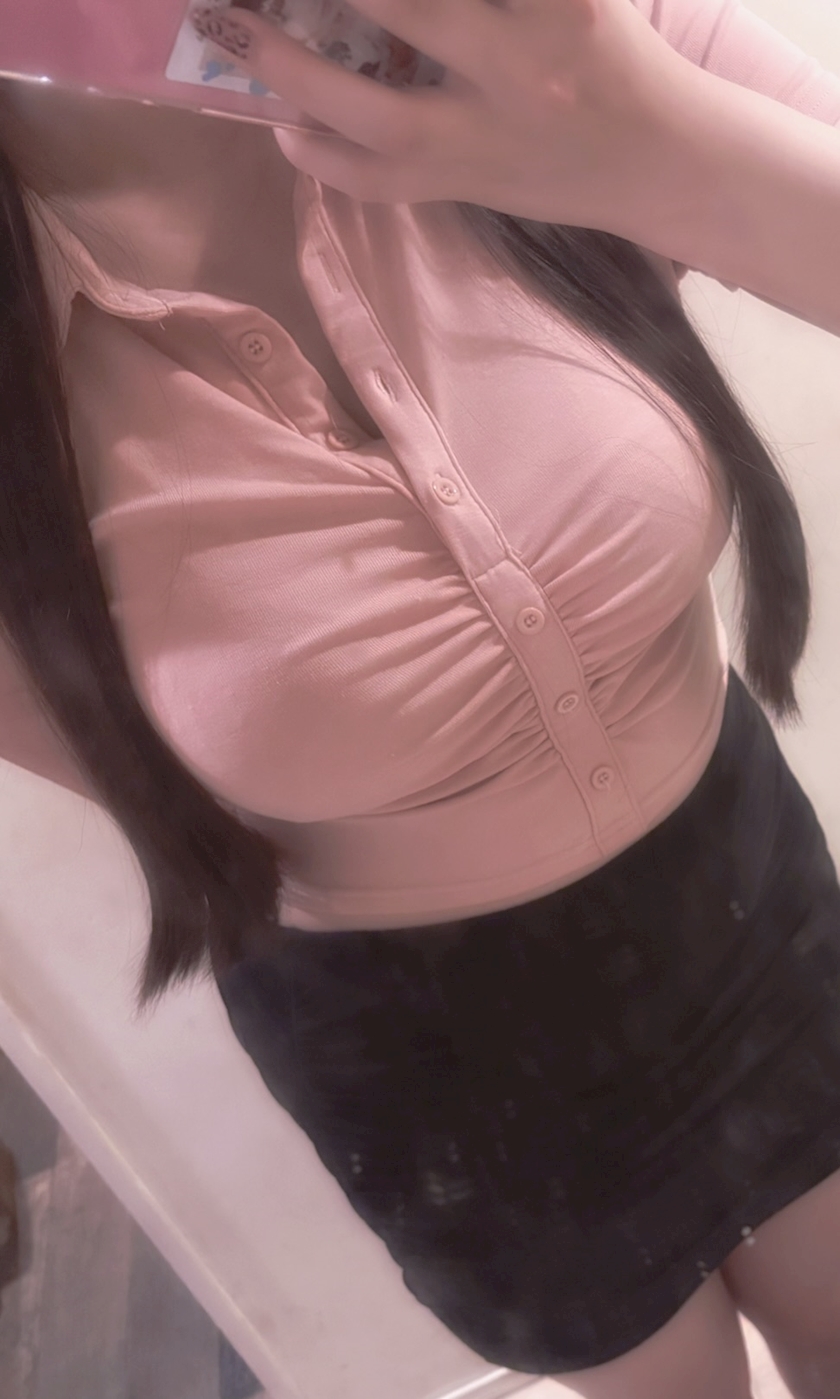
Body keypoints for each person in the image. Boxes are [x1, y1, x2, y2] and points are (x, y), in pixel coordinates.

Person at [1, 1, 840, 1396]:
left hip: (747, 880)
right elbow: (109, 756)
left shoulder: (546, 27)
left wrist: (643, 138)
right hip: (444, 1059)